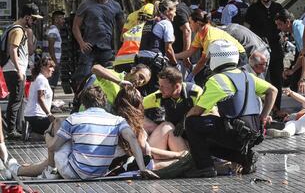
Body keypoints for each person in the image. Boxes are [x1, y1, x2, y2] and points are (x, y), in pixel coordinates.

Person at [5, 86, 158, 180]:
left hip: (73, 172)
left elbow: (53, 147)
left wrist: (46, 135)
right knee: (66, 133)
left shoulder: (74, 118)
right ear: (104, 102)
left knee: (58, 127)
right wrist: (143, 169)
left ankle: (44, 171)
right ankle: (27, 169)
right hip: (99, 173)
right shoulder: (118, 121)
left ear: (84, 103)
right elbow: (132, 139)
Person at [184, 40, 277, 177]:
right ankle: (244, 158)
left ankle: (205, 167)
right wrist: (263, 117)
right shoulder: (247, 75)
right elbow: (273, 90)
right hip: (254, 133)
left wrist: (184, 121)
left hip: (235, 133)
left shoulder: (217, 80)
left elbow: (197, 111)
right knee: (206, 138)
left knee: (192, 123)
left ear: (215, 58)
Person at [110, 86, 188, 173]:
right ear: (136, 102)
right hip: (134, 165)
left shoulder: (124, 116)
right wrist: (177, 155)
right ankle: (187, 157)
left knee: (167, 126)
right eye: (141, 98)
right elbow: (145, 150)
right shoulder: (130, 123)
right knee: (182, 163)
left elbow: (154, 128)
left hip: (134, 160)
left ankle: (187, 155)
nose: (143, 100)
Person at [71, 0, 124, 89]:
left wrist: (122, 46)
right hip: (89, 48)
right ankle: (79, 101)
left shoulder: (115, 5)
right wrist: (81, 43)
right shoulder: (85, 5)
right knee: (82, 77)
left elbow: (123, 28)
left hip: (107, 49)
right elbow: (75, 26)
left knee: (110, 76)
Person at [3, 3, 43, 139]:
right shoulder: (18, 30)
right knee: (15, 100)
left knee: (17, 99)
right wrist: (19, 70)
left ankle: (14, 128)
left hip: (14, 69)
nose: (34, 22)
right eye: (33, 19)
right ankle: (11, 130)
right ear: (27, 17)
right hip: (14, 69)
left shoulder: (19, 29)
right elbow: (13, 49)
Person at [176, 9, 246, 84]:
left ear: (198, 23)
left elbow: (202, 62)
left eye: (190, 22)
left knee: (231, 82)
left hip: (238, 56)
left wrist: (192, 75)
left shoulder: (209, 37)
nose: (189, 25)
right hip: (224, 56)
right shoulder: (200, 34)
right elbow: (190, 52)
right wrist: (173, 56)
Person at [245, 0, 284, 113]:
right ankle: (260, 110)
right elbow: (247, 28)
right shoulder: (253, 9)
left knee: (277, 80)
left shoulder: (278, 7)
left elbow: (284, 25)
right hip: (258, 50)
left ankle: (277, 109)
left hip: (276, 49)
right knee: (259, 79)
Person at [143, 66, 203, 135]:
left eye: (163, 86)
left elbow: (211, 112)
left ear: (177, 86)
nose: (160, 89)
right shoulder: (160, 95)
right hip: (174, 133)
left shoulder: (195, 92)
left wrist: (185, 121)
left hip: (196, 132)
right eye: (159, 85)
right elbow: (139, 104)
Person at [135, 0, 179, 92]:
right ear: (167, 11)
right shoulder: (166, 23)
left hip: (140, 59)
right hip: (154, 61)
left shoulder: (149, 22)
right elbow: (169, 49)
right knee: (156, 91)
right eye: (174, 12)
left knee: (142, 90)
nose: (175, 15)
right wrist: (175, 64)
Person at [275, 9, 305, 92]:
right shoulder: (295, 29)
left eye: (280, 24)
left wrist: (303, 78)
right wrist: (293, 70)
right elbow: (301, 54)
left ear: (287, 22)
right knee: (295, 84)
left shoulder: (298, 28)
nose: (278, 28)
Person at [114, 3, 155, 73]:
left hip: (118, 61)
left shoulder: (133, 29)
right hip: (131, 62)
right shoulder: (147, 30)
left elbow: (122, 39)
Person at [24, 57, 55, 135]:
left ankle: (33, 132)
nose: (53, 69)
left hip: (31, 115)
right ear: (42, 67)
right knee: (61, 126)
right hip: (37, 116)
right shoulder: (41, 79)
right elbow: (40, 98)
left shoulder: (38, 78)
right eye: (50, 67)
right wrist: (49, 114)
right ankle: (33, 132)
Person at [44, 10, 65, 91]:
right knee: (51, 86)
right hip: (52, 62)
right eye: (61, 19)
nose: (63, 21)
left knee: (51, 86)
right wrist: (55, 62)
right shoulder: (53, 30)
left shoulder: (54, 30)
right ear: (56, 20)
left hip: (52, 61)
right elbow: (51, 46)